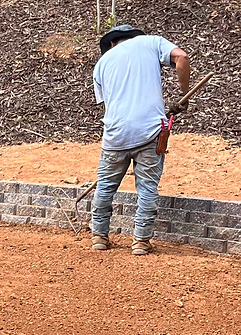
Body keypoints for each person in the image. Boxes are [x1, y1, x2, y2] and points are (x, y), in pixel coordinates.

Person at [90, 25, 189, 256]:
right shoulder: (151, 42)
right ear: (135, 37)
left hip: (115, 135)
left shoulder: (102, 64)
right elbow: (182, 58)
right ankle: (141, 242)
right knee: (146, 188)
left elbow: (110, 103)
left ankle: (99, 237)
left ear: (113, 43)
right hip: (149, 132)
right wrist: (183, 95)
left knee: (105, 187)